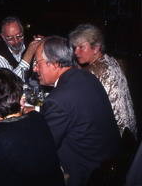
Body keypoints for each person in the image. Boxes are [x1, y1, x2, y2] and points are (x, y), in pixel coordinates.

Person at [33, 36, 122, 186]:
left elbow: (42, 148)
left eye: (37, 63)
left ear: (54, 63)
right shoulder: (87, 76)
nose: (35, 69)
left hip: (86, 175)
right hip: (108, 161)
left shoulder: (58, 99)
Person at [68, 23, 137, 138]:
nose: (76, 52)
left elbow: (75, 105)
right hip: (130, 133)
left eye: (81, 47)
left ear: (96, 47)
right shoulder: (111, 60)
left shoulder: (92, 72)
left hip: (113, 137)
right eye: (75, 47)